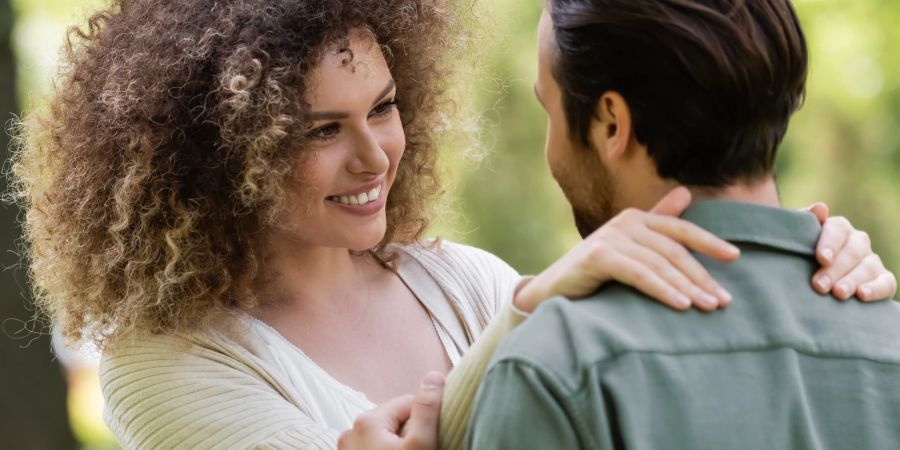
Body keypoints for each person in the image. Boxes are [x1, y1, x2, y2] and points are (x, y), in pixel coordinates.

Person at [9, 0, 893, 449]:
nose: (375, 156)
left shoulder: (461, 277)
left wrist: (790, 263)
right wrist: (533, 304)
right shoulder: (161, 363)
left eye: (385, 108)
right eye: (322, 129)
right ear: (215, 151)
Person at [463, 1, 900, 449]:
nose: (551, 148)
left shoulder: (556, 371)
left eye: (548, 111)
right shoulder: (890, 341)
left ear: (612, 123)